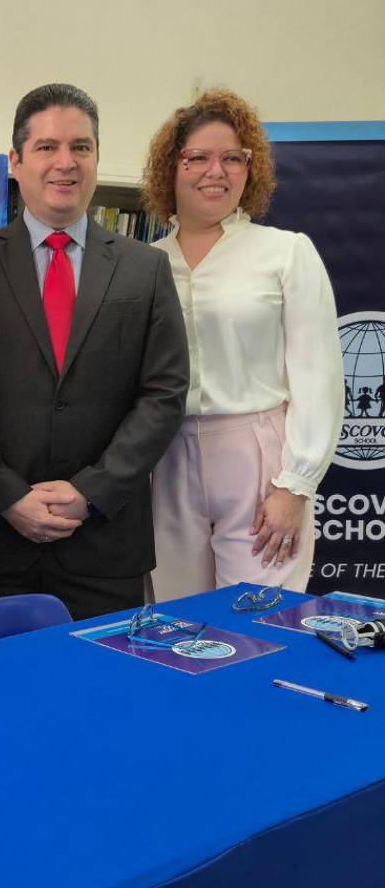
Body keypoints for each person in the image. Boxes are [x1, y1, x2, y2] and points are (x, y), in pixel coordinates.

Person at [0, 83, 188, 621]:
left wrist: (90, 492)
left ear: (96, 157)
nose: (65, 163)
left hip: (104, 541)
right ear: (16, 161)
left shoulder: (146, 269)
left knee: (100, 677)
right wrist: (7, 496)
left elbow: (163, 395)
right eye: (47, 147)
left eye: (81, 147)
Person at [141, 89, 342, 598]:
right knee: (177, 622)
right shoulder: (145, 262)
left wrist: (295, 486)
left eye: (233, 158)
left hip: (259, 460)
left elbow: (318, 377)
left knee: (256, 621)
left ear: (250, 170)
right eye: (199, 157)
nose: (217, 171)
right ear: (172, 167)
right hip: (167, 459)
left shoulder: (286, 253)